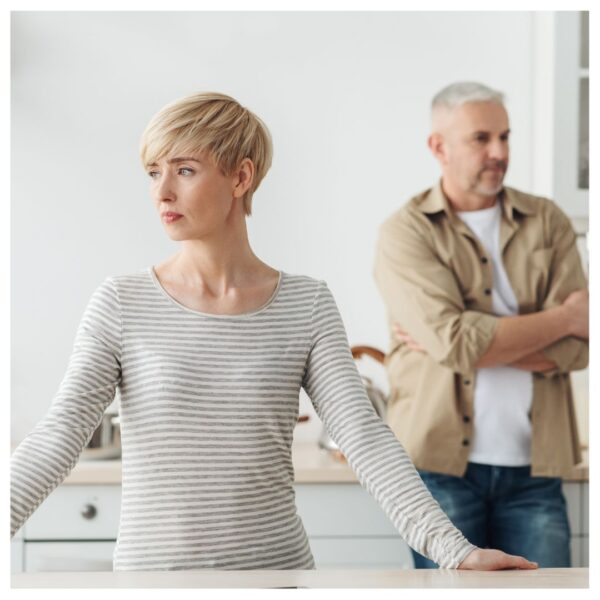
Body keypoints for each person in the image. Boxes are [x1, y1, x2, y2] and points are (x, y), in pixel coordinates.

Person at [11, 92, 537, 572]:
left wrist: (456, 552)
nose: (162, 191)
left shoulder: (305, 303)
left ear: (241, 178)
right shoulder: (122, 301)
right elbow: (58, 437)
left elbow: (364, 437)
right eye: (153, 172)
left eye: (185, 169)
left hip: (279, 579)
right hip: (154, 582)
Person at [373, 81, 589, 569]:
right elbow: (457, 342)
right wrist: (563, 318)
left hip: (536, 466)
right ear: (438, 147)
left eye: (505, 137)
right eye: (481, 138)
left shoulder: (548, 221)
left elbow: (580, 348)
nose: (499, 152)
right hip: (438, 467)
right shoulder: (405, 231)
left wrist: (466, 342)